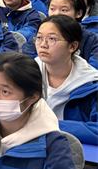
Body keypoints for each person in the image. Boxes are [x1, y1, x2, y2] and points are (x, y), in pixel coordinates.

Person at [34, 15, 97, 143]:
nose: (43, 45)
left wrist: (49, 125)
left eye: (52, 39)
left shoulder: (91, 84)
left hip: (74, 149)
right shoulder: (27, 73)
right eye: (39, 38)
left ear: (72, 46)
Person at [22, 0, 98, 69]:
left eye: (64, 10)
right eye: (52, 9)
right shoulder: (40, 35)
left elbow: (94, 69)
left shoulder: (91, 39)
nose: (56, 14)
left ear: (78, 13)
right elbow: (27, 61)